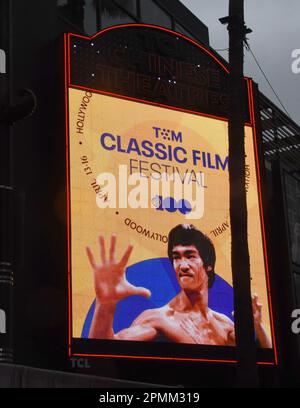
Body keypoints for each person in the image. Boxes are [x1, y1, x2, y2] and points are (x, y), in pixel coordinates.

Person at [86, 224, 272, 347]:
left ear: (208, 264)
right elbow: (104, 351)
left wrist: (258, 327)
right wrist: (105, 305)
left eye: (190, 256)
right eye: (176, 257)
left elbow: (265, 368)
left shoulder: (224, 325)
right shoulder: (158, 320)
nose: (182, 265)